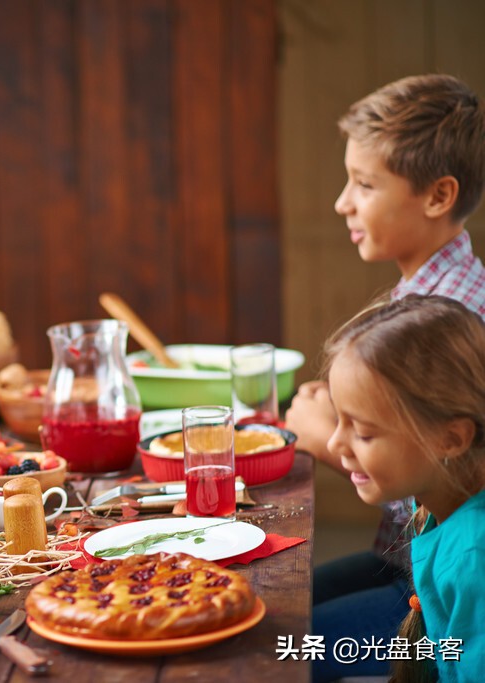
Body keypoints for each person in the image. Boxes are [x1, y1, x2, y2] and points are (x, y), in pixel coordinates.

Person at [283, 74, 485, 682]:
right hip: (411, 562)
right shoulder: (422, 293)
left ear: (437, 195)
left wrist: (323, 436)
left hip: (434, 605)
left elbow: (448, 469)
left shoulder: (453, 319)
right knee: (275, 615)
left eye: (365, 184)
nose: (343, 202)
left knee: (284, 652)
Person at [322, 295, 485, 682]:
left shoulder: (472, 557)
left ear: (450, 439)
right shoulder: (439, 499)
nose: (333, 445)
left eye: (362, 432)